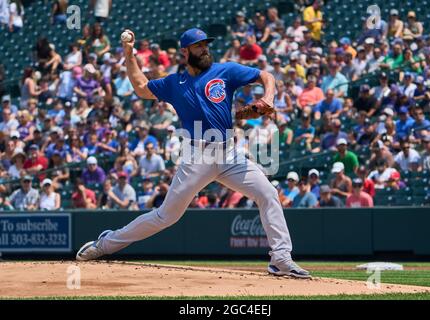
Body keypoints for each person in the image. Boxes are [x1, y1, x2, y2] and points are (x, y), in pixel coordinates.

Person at [76, 28, 311, 279]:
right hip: (197, 156)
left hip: (229, 154)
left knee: (268, 194)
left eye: (205, 44)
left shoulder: (225, 71)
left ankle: (281, 259)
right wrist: (129, 53)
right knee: (166, 216)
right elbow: (141, 87)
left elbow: (265, 75)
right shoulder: (174, 83)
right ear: (185, 51)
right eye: (198, 46)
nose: (205, 49)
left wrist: (269, 97)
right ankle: (106, 243)